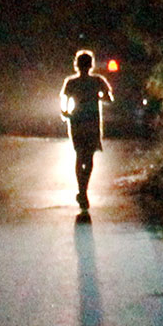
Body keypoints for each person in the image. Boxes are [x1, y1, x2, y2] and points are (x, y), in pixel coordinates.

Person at [60, 49, 114, 211]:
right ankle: (83, 190)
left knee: (79, 155)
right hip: (91, 121)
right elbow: (109, 99)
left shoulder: (71, 82)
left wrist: (65, 113)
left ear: (76, 65)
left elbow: (64, 101)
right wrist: (99, 96)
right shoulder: (98, 81)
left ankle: (81, 189)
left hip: (77, 121)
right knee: (89, 157)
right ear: (91, 65)